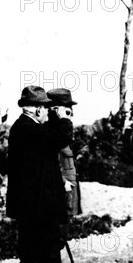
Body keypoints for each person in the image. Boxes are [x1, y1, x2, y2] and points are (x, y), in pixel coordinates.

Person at [6, 85, 74, 263]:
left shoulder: (28, 127)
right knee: (31, 257)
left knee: (39, 252)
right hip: (33, 205)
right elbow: (59, 138)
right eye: (45, 107)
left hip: (37, 204)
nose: (47, 111)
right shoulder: (27, 129)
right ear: (36, 109)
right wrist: (63, 119)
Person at [47, 88, 82, 222]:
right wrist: (63, 182)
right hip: (60, 190)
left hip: (68, 190)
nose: (70, 116)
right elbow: (49, 164)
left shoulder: (62, 134)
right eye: (67, 112)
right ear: (55, 111)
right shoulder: (51, 134)